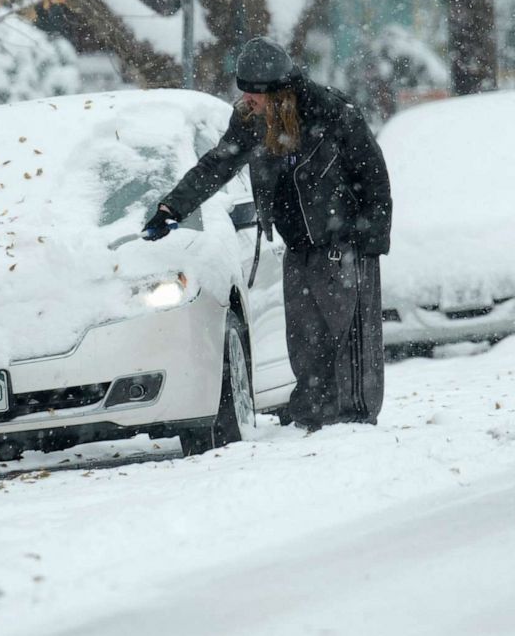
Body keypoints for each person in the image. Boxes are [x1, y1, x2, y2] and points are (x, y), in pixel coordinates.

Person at [143, 38, 392, 430]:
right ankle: (313, 416)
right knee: (307, 339)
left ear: (279, 93)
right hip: (298, 246)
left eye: (254, 94)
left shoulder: (332, 114)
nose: (246, 100)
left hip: (345, 244)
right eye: (243, 92)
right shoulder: (250, 120)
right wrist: (171, 208)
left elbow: (374, 176)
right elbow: (216, 165)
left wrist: (369, 239)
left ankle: (356, 420)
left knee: (352, 339)